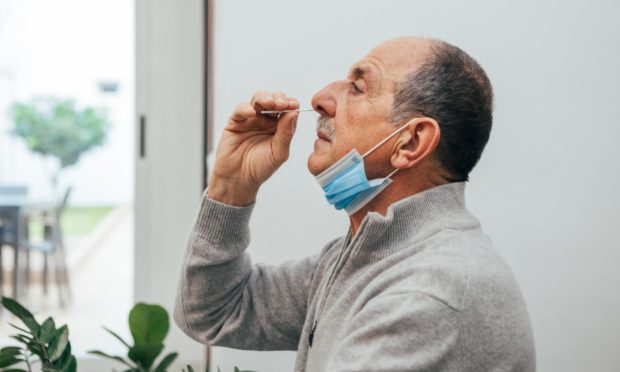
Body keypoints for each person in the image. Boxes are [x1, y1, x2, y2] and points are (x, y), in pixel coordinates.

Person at [174, 37, 536, 371]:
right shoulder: (368, 257)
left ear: (410, 143)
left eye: (358, 87)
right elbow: (213, 312)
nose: (319, 98)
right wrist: (231, 186)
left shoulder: (427, 294)